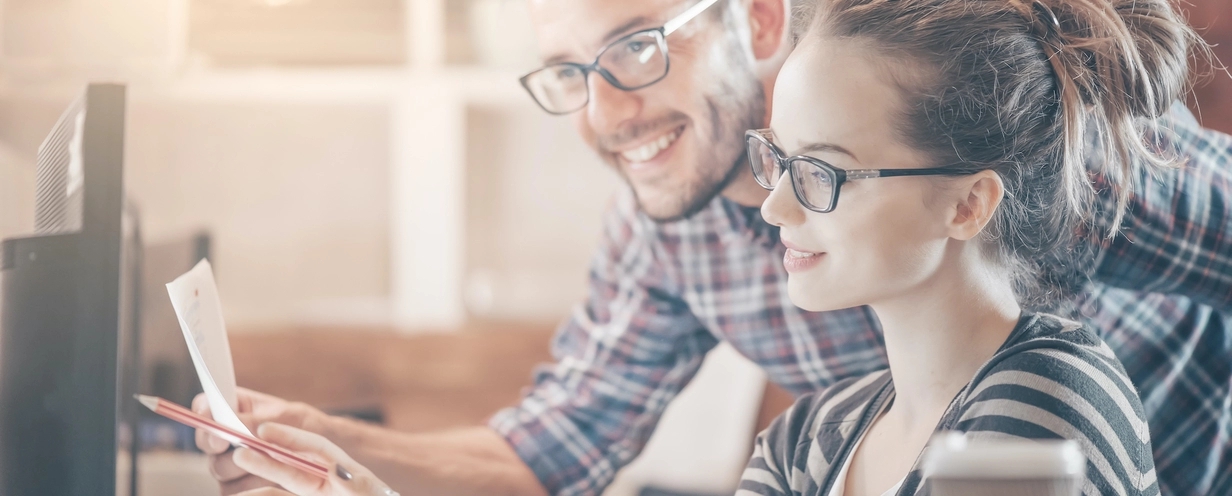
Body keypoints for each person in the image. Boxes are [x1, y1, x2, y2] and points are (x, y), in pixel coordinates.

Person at [196, 0, 1232, 494]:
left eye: (636, 48)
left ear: (760, 20)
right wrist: (329, 447)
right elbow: (546, 447)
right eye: (568, 75)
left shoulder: (1024, 144)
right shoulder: (807, 421)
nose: (604, 113)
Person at [735, 0, 1193, 492]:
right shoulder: (803, 442)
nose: (773, 208)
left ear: (969, 205)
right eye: (779, 159)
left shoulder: (1045, 402)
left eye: (820, 172)